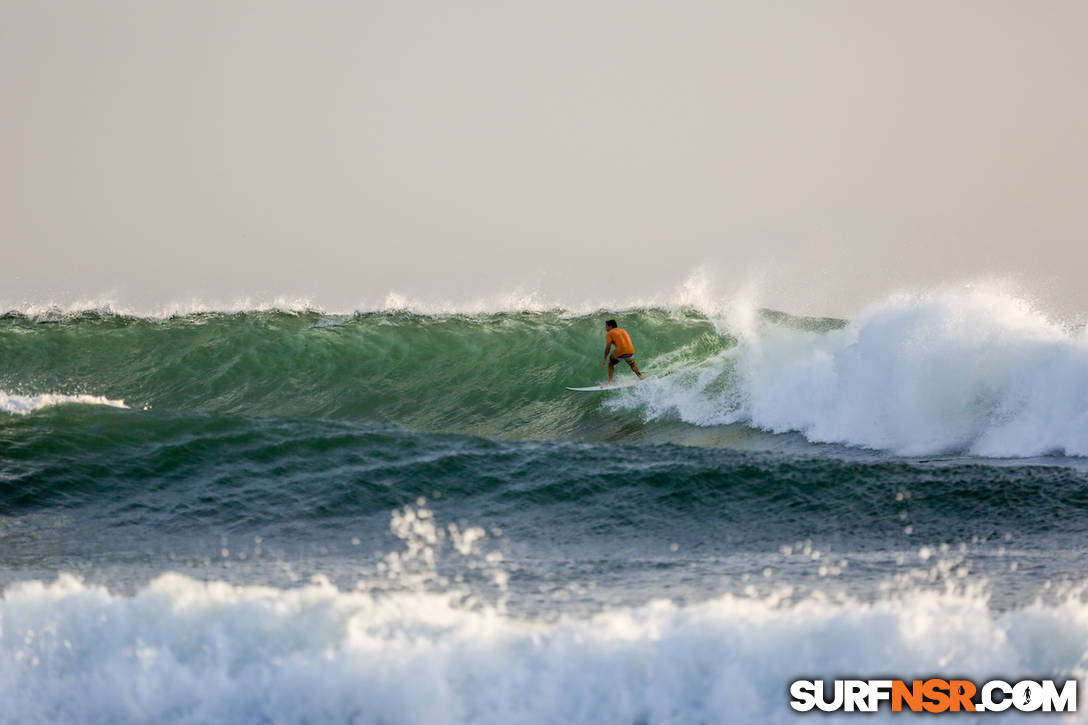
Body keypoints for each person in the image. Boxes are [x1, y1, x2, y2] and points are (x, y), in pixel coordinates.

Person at [602, 319, 645, 384]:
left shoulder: (609, 333)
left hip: (620, 351)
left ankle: (610, 382)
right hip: (630, 350)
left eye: (606, 326)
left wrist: (605, 358)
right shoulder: (623, 330)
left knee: (610, 364)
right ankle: (641, 377)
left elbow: (608, 347)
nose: (606, 328)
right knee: (632, 365)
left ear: (610, 326)